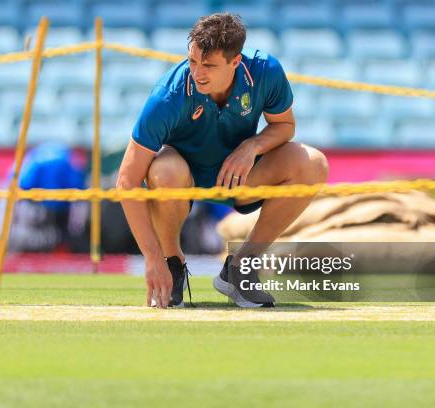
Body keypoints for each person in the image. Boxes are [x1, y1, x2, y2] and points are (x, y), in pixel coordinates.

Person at [116, 13, 329, 308]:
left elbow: (285, 126)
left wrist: (252, 146)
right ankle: (172, 264)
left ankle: (240, 268)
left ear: (236, 62)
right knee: (164, 169)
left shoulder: (266, 71)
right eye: (192, 62)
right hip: (182, 179)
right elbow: (127, 180)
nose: (197, 73)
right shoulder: (167, 97)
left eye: (209, 65)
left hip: (240, 176)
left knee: (314, 163)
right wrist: (152, 260)